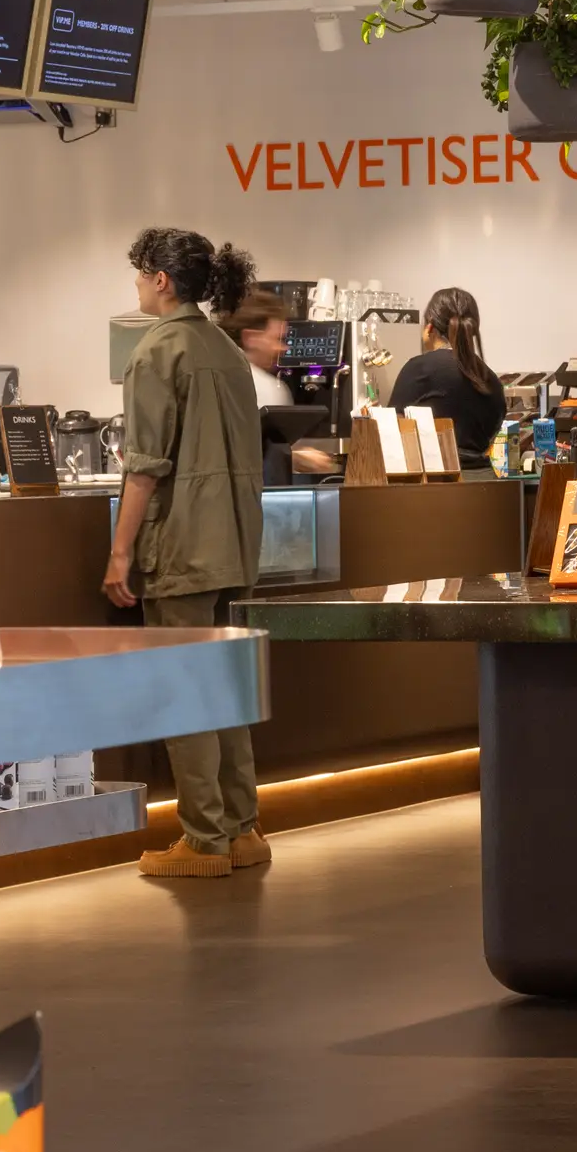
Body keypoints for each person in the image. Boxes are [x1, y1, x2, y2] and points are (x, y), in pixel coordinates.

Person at [111, 226, 270, 881]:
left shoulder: (157, 351)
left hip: (182, 545)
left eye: (139, 274)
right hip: (235, 544)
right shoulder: (226, 350)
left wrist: (120, 554)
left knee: (186, 692)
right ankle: (244, 827)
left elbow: (144, 469)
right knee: (226, 690)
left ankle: (202, 837)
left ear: (161, 280)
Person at [386, 285, 509, 471]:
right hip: (484, 482)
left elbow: (392, 430)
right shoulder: (491, 378)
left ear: (429, 328)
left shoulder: (418, 368)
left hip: (432, 486)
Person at [223, 287, 339, 483]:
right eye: (278, 339)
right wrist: (298, 457)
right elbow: (256, 455)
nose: (283, 348)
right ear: (251, 338)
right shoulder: (268, 388)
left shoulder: (220, 373)